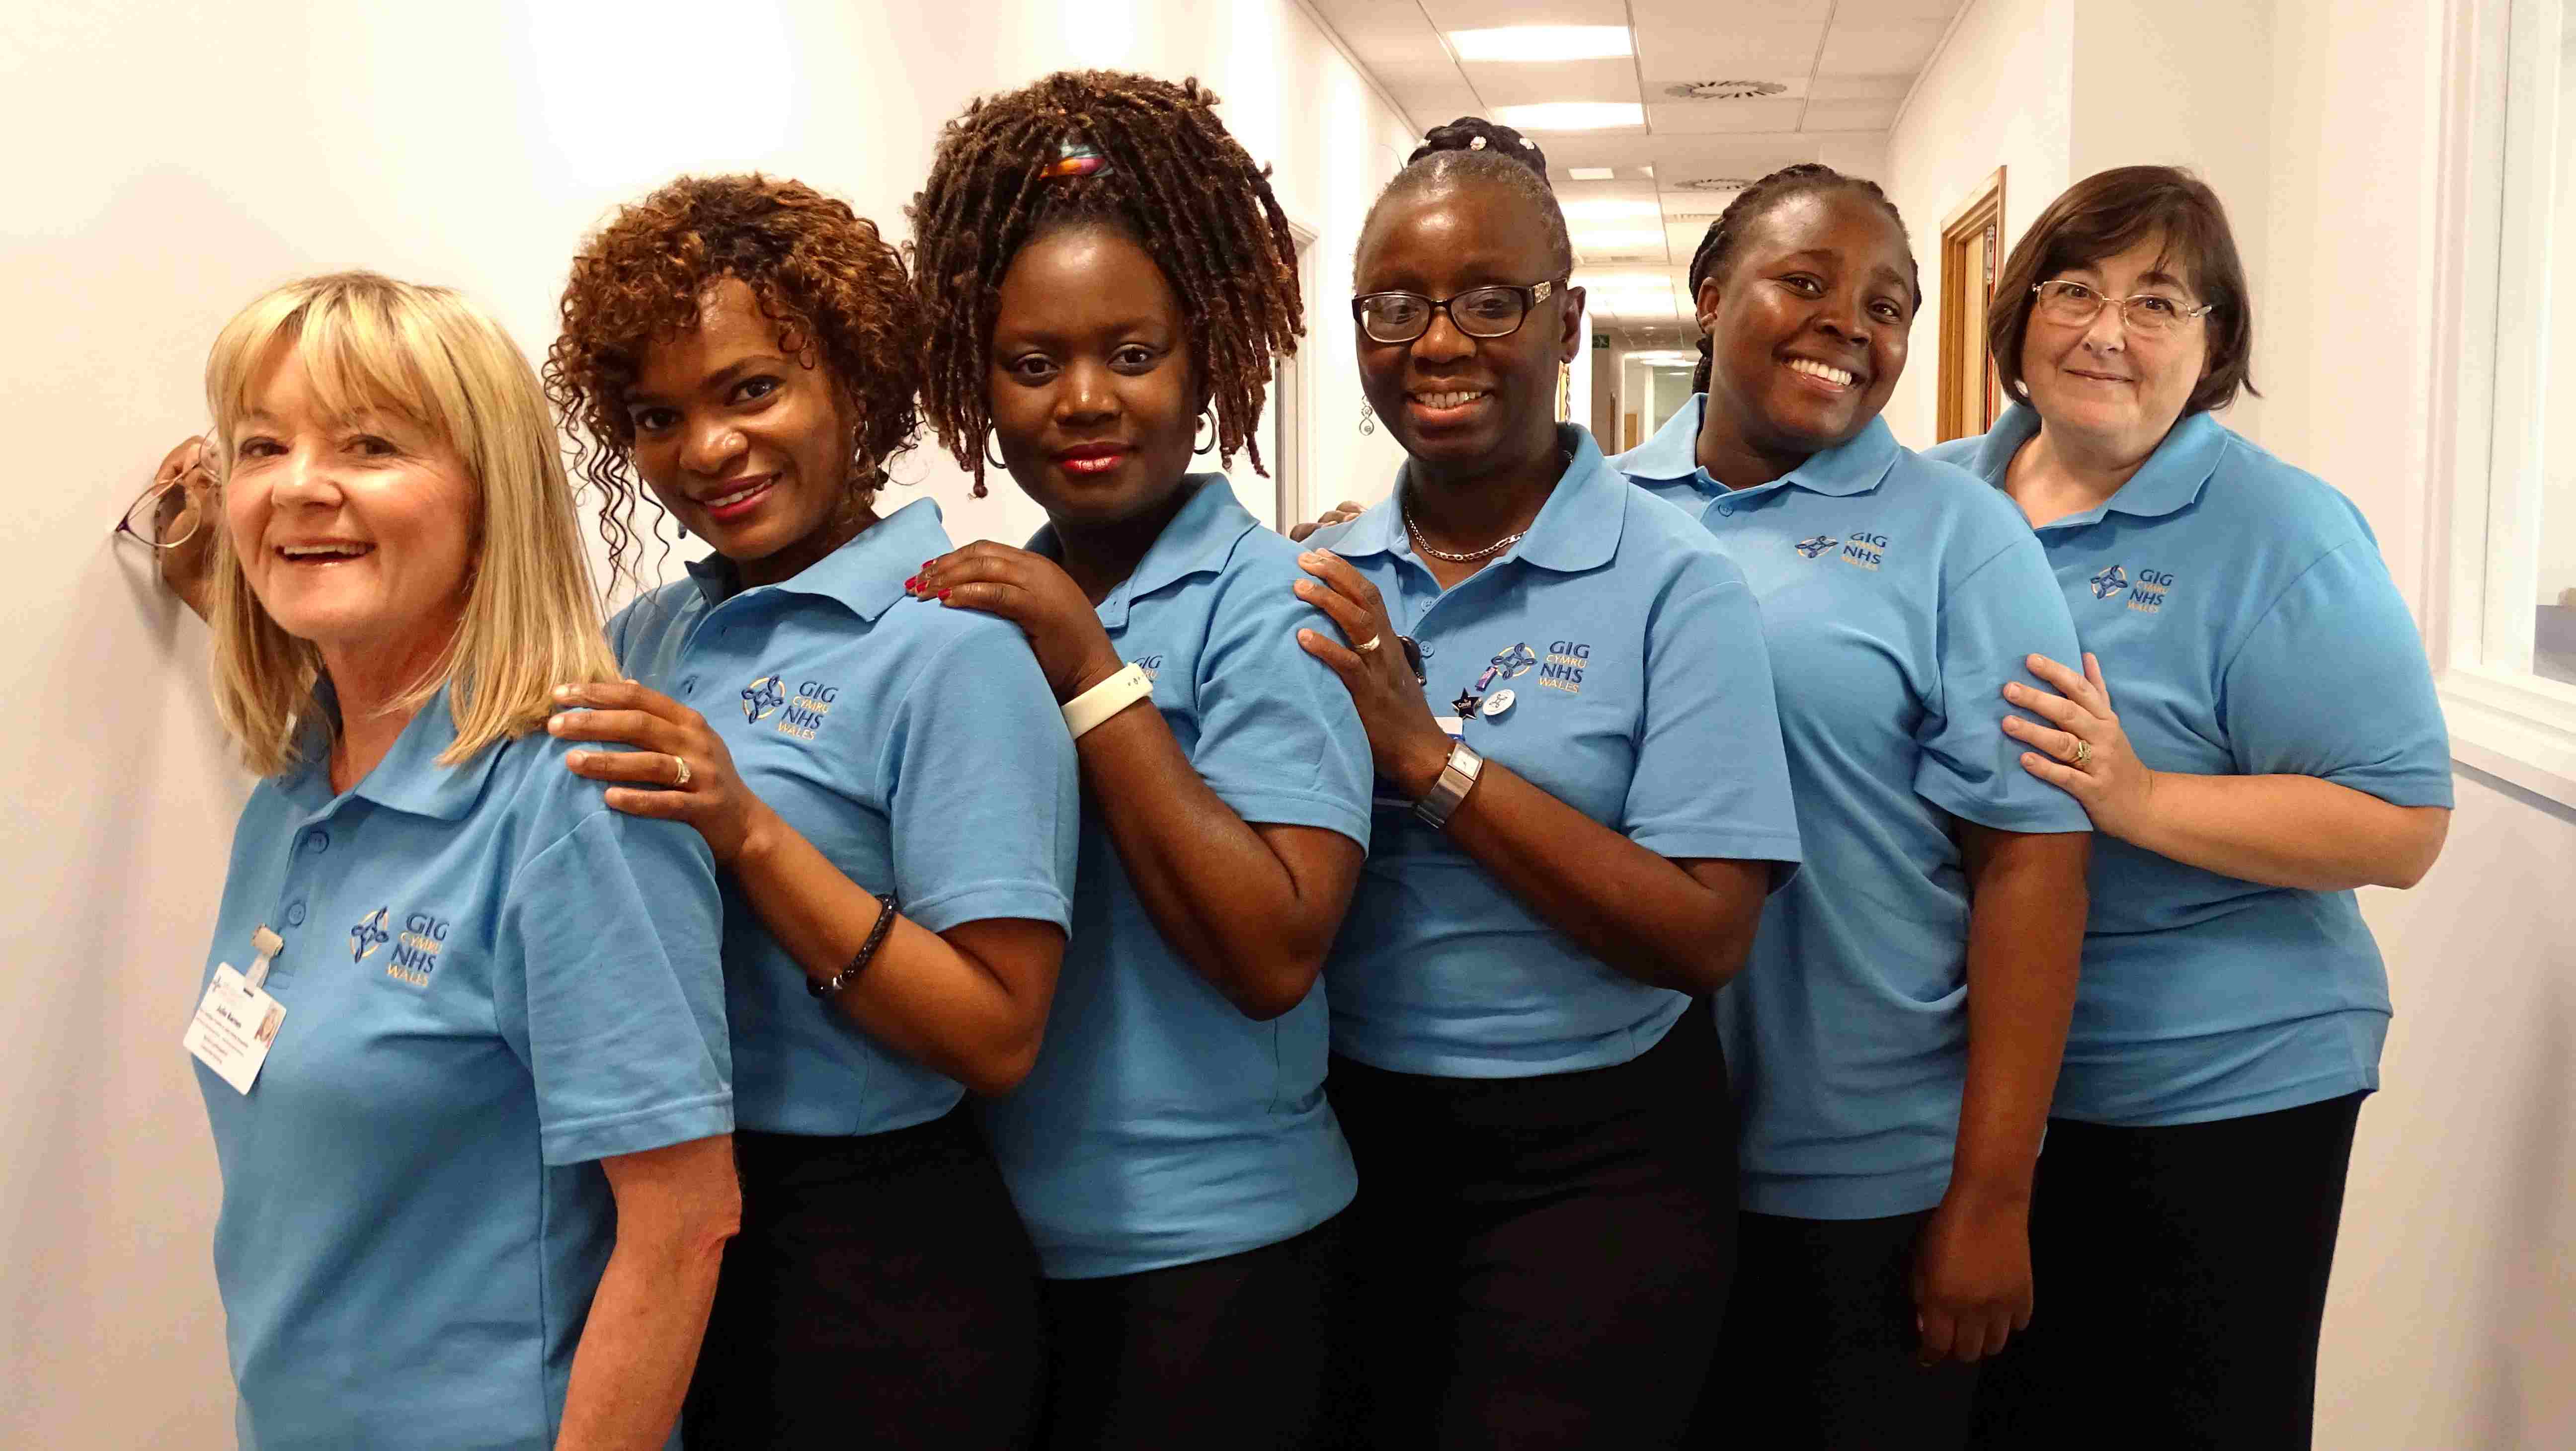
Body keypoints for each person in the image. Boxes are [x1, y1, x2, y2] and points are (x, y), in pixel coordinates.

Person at [543, 174, 1081, 1450]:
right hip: (668, 1227)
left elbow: (1000, 1033)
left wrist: (749, 829)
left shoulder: (952, 646)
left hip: (874, 1267)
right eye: (657, 415)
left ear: (855, 380)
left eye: (751, 389)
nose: (707, 448)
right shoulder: (651, 633)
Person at [1918, 165, 2452, 1447]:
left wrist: (2140, 795)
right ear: (2019, 314)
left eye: (2159, 301)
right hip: (1969, 1082)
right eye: (2078, 290)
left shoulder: (2282, 530)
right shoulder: (1930, 500)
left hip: (2211, 1086)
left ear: (2214, 346)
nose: (2109, 331)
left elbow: (2400, 824)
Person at [1294, 118, 1801, 1449]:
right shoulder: (1322, 584)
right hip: (1345, 1149)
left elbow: (1708, 933)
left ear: (1566, 322)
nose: (1440, 345)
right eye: (1395, 308)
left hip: (1596, 1175)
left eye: (1488, 303)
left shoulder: (1678, 584)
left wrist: (1430, 758)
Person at [179, 271, 737, 1450]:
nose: (301, 485)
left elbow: (683, 1222)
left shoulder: (578, 802)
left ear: (492, 500)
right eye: (263, 444)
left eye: (371, 443)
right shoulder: (295, 788)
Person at [903, 70, 1372, 1449]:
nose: (1086, 402)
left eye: (1136, 351)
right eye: (1034, 365)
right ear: (974, 383)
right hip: (995, 1247)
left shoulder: (1267, 598)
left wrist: (1096, 675)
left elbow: (1275, 950)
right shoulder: (979, 605)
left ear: (1211, 355)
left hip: (1221, 1260)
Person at [1605, 162, 2094, 1449]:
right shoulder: (1597, 515)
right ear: (1712, 296)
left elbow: (2032, 869)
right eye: (1806, 282)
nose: (1851, 326)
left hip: (1864, 1175)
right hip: (1626, 1167)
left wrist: (1992, 1195)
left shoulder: (1961, 540)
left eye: (1888, 307)